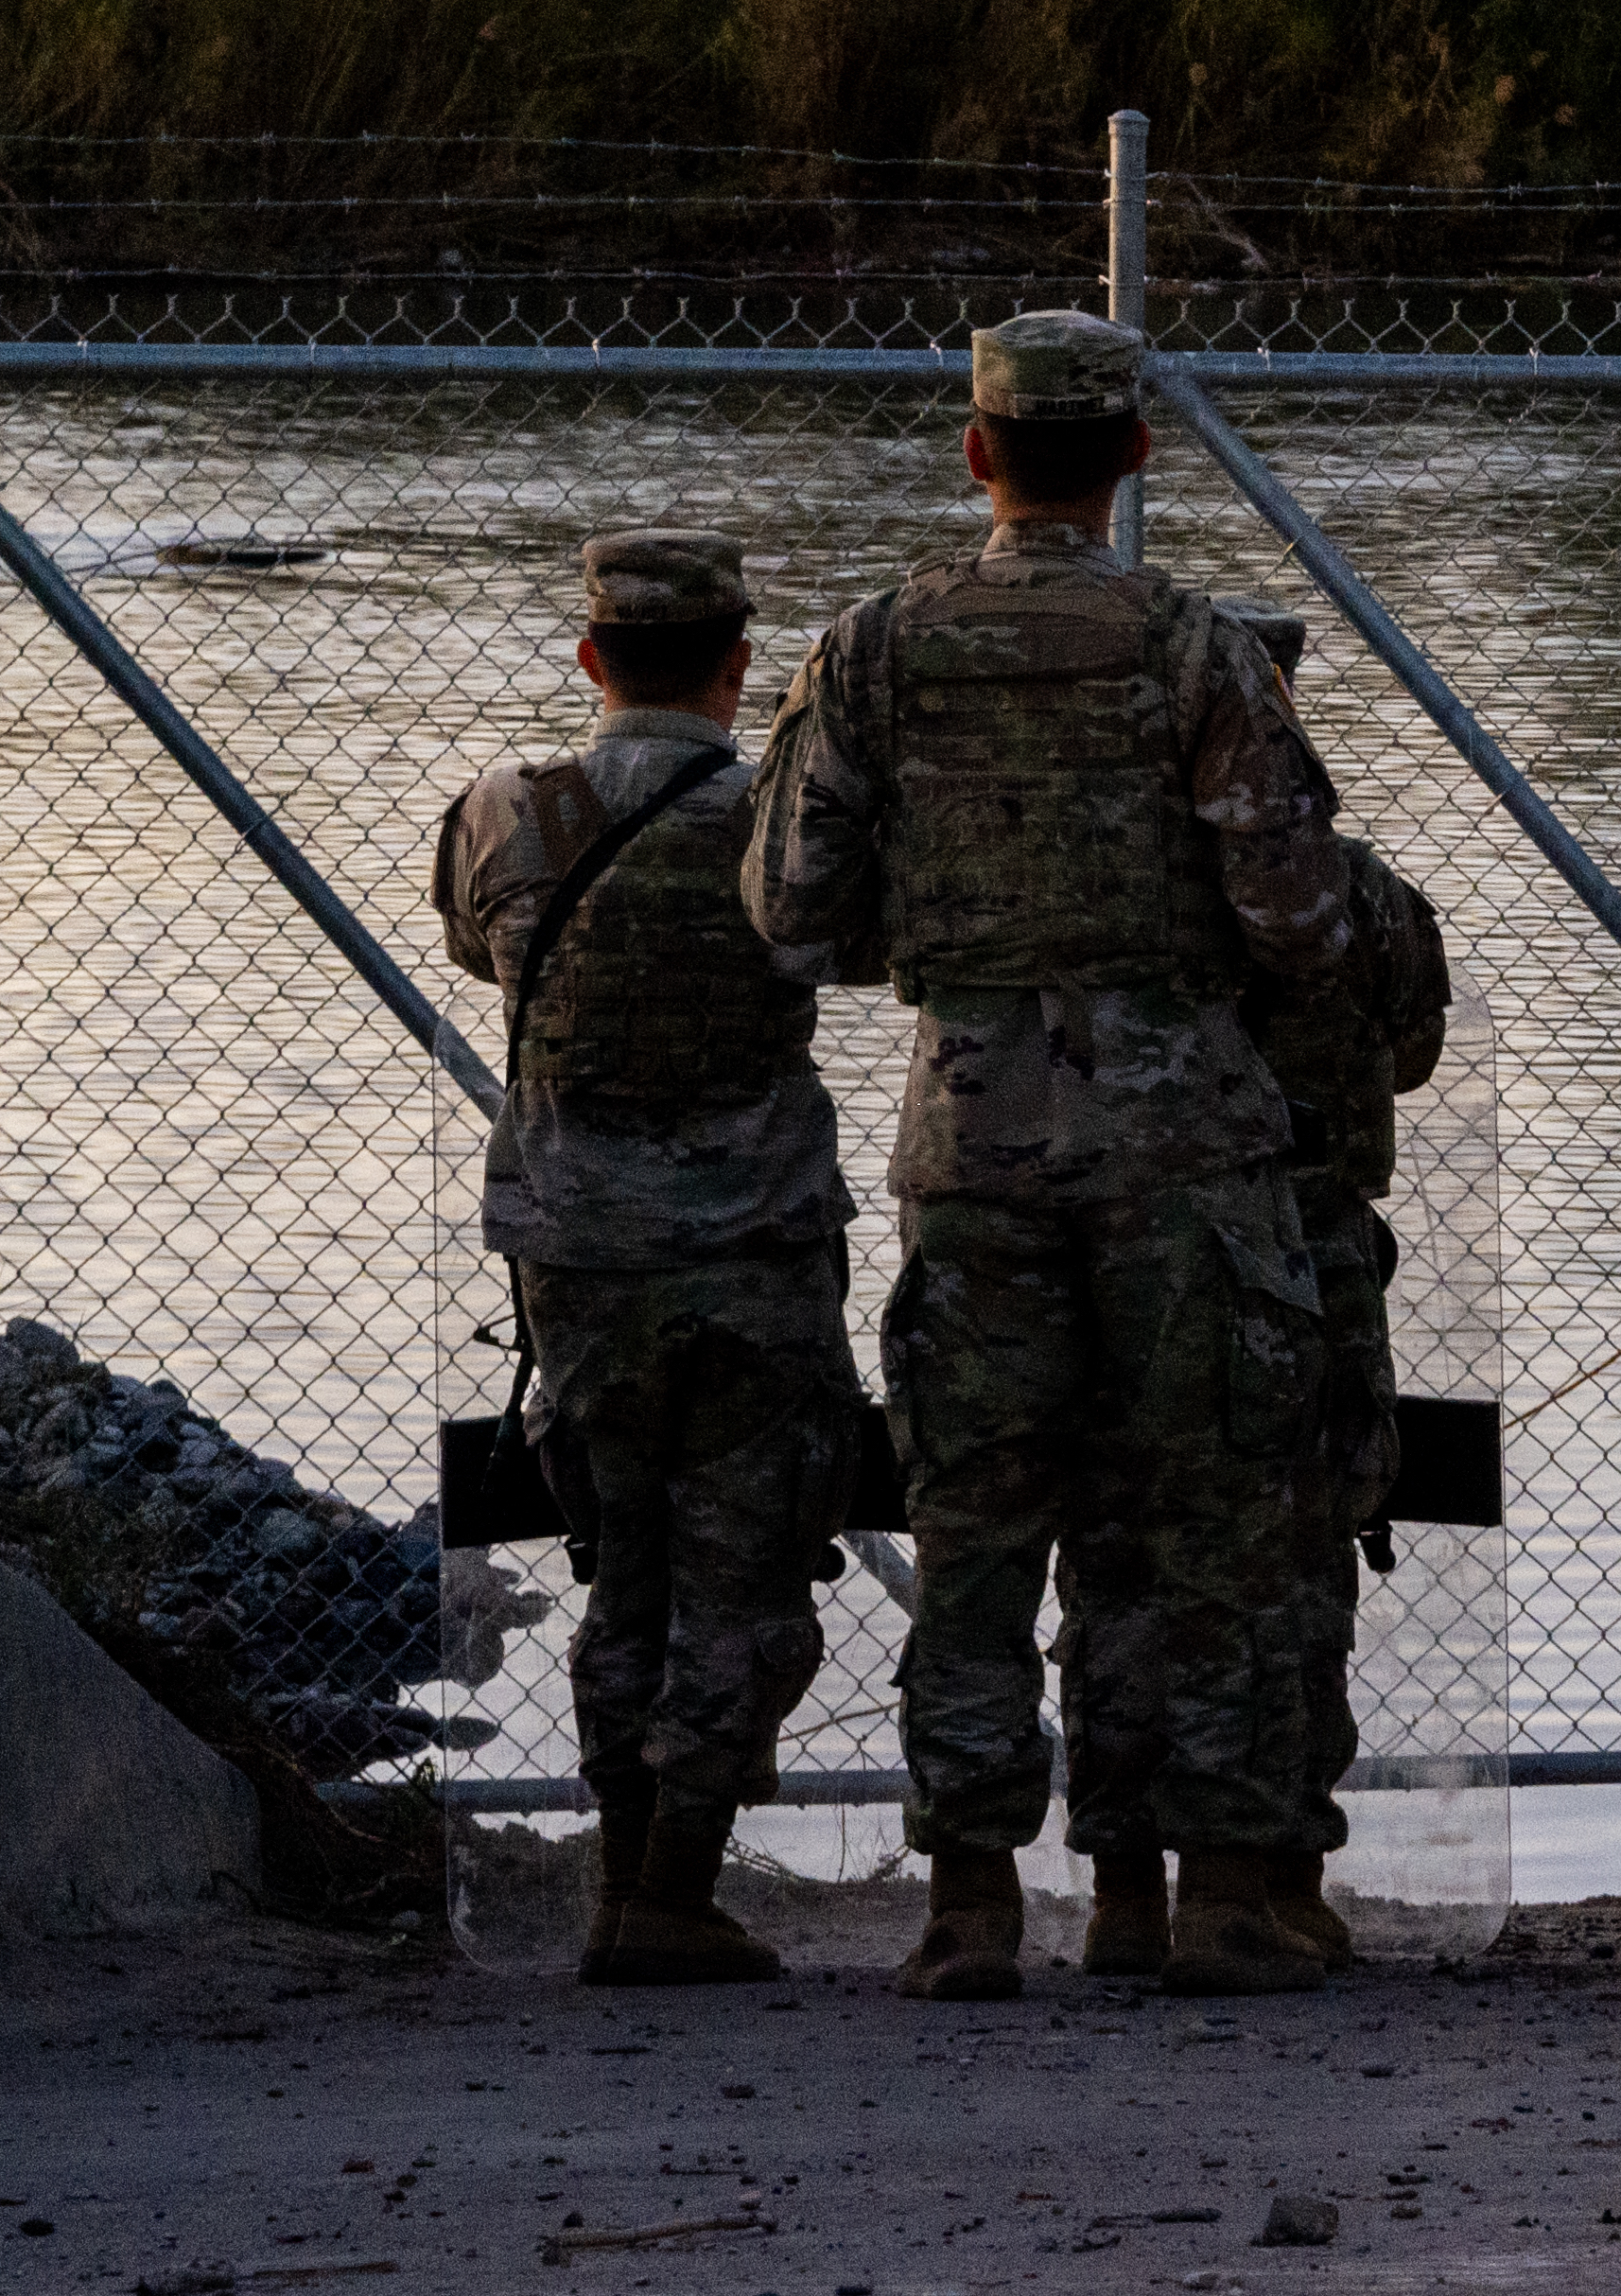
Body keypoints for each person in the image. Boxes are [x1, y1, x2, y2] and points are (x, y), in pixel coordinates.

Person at [741, 313, 1361, 2001]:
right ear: (1138, 455)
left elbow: (790, 909)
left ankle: (969, 1908)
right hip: (1183, 1152)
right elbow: (1303, 922)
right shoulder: (1197, 649)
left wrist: (956, 954)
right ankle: (1215, 1892)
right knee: (1206, 1518)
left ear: (977, 452)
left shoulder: (872, 652)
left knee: (979, 1523)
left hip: (975, 1138)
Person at [429, 529, 853, 1989]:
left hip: (581, 1259)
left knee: (623, 1567)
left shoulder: (505, 812)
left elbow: (480, 955)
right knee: (743, 1570)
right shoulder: (790, 826)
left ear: (589, 657)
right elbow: (843, 949)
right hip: (757, 1254)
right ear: (741, 666)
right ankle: (673, 1888)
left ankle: (623, 1886)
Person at [1214, 669, 1452, 1986]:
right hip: (1311, 1248)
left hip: (1151, 1234)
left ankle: (1139, 1879)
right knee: (1305, 1553)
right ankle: (1286, 1881)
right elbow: (1408, 1047)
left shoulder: (1127, 893)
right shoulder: (1356, 891)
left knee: (1133, 1556)